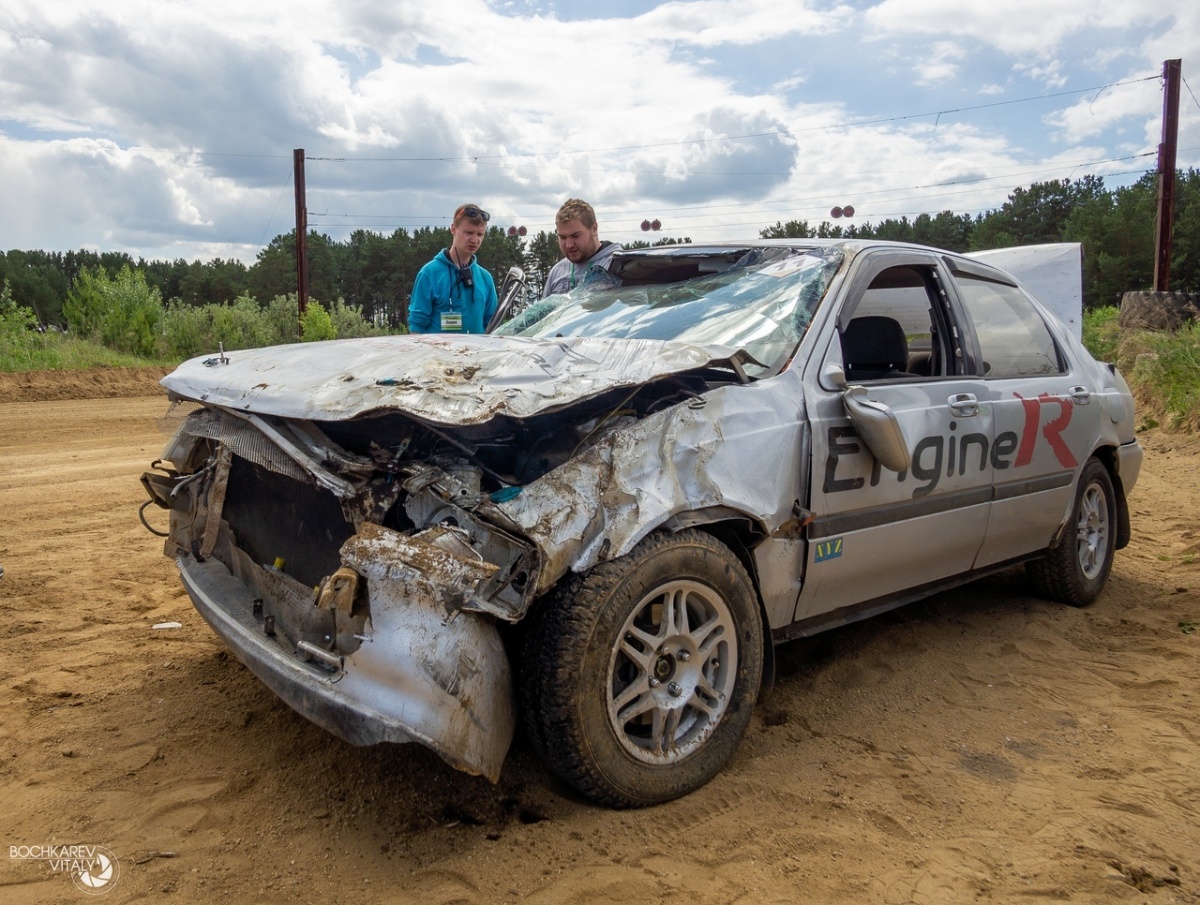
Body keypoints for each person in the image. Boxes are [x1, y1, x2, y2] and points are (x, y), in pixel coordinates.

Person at [408, 204, 498, 334]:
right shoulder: (429, 274)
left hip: (477, 353)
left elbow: (492, 325)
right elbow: (417, 325)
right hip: (437, 354)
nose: (475, 240)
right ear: (453, 229)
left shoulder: (485, 278)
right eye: (469, 233)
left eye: (480, 234)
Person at [542, 198, 623, 297]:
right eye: (562, 237)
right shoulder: (557, 271)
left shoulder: (615, 265)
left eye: (575, 236)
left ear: (594, 229)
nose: (569, 245)